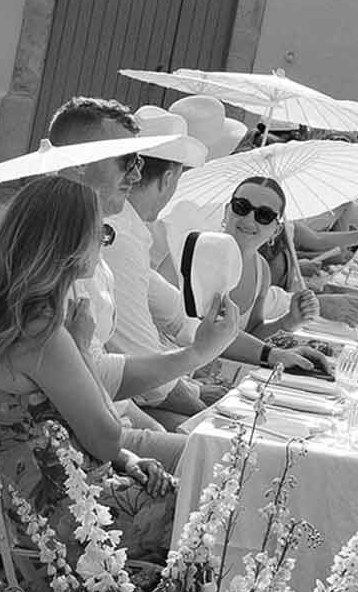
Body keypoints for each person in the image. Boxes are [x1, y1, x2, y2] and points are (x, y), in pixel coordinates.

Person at [0, 177, 180, 592]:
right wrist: (80, 347)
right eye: (103, 233)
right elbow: (107, 438)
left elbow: (45, 426)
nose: (105, 244)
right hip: (42, 522)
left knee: (154, 478)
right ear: (71, 245)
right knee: (184, 504)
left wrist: (128, 459)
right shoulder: (41, 335)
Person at [46, 96, 240, 438]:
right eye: (127, 160)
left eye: (138, 161)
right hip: (65, 435)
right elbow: (95, 382)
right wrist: (197, 357)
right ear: (80, 164)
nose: (135, 174)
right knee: (220, 457)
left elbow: (97, 373)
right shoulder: (81, 246)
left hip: (91, 419)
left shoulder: (97, 237)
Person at [166, 174, 334, 378]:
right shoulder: (196, 252)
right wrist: (275, 354)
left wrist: (288, 321)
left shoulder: (261, 268)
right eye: (241, 207)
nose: (248, 219)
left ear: (277, 229)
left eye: (263, 215)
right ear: (227, 211)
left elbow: (252, 333)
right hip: (178, 375)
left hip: (224, 376)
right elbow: (199, 331)